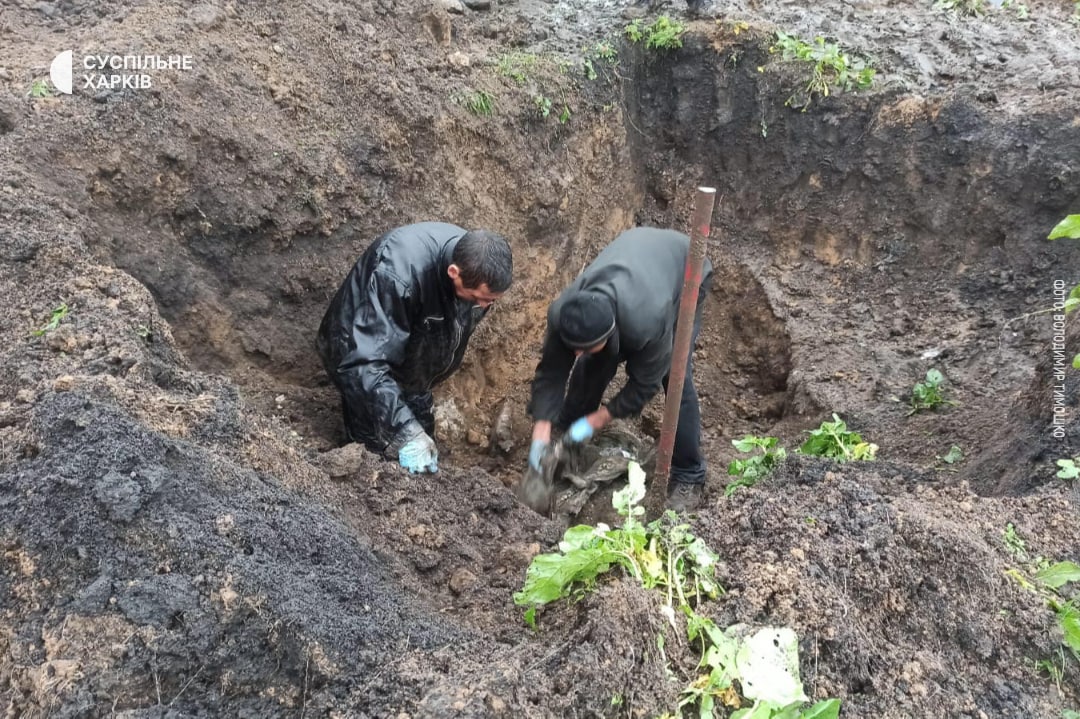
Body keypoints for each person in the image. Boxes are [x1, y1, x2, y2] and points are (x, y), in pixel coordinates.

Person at [526, 227, 713, 512]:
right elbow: (551, 372)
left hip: (684, 269)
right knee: (594, 361)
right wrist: (542, 429)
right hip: (636, 261)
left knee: (674, 376)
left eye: (584, 347)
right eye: (572, 346)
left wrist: (598, 419)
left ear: (610, 332)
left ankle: (689, 473)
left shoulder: (646, 321)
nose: (574, 354)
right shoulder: (563, 313)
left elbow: (644, 384)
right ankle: (567, 434)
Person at [317, 222, 512, 473]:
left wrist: (416, 423)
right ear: (454, 272)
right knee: (377, 451)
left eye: (492, 300)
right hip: (356, 355)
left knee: (423, 443)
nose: (484, 306)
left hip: (409, 361)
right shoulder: (397, 274)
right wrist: (404, 431)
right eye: (478, 299)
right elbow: (365, 362)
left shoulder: (479, 266)